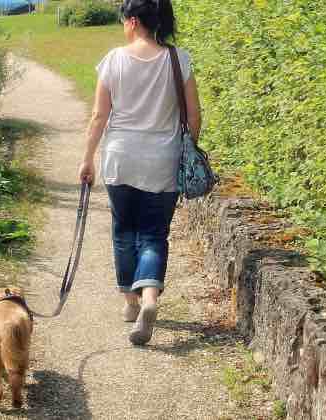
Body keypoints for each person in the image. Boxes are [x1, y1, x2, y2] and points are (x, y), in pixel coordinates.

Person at [78, 0, 202, 345]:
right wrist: (185, 148)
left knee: (123, 231)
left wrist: (87, 158)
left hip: (120, 159)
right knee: (153, 234)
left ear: (132, 21)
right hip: (161, 161)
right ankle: (149, 297)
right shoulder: (179, 59)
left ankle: (131, 303)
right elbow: (194, 116)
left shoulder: (114, 60)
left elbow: (99, 117)